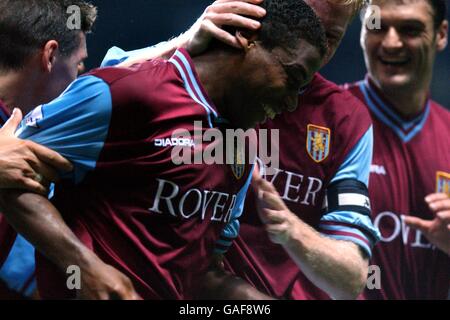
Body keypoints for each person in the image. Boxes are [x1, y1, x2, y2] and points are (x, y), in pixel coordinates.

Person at [0, 0, 327, 299]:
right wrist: (83, 266)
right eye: (292, 76)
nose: (291, 102)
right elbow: (14, 179)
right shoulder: (126, 93)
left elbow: (203, 272)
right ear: (245, 39)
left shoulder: (240, 148)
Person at [113, 0, 381, 300]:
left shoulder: (345, 120)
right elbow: (97, 93)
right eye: (305, 22)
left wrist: (289, 227)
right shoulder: (203, 70)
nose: (314, 43)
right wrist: (184, 43)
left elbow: (351, 278)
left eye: (330, 37)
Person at [344, 0, 450, 299]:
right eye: (376, 26)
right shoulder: (324, 121)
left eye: (410, 29)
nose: (391, 43)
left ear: (441, 34)